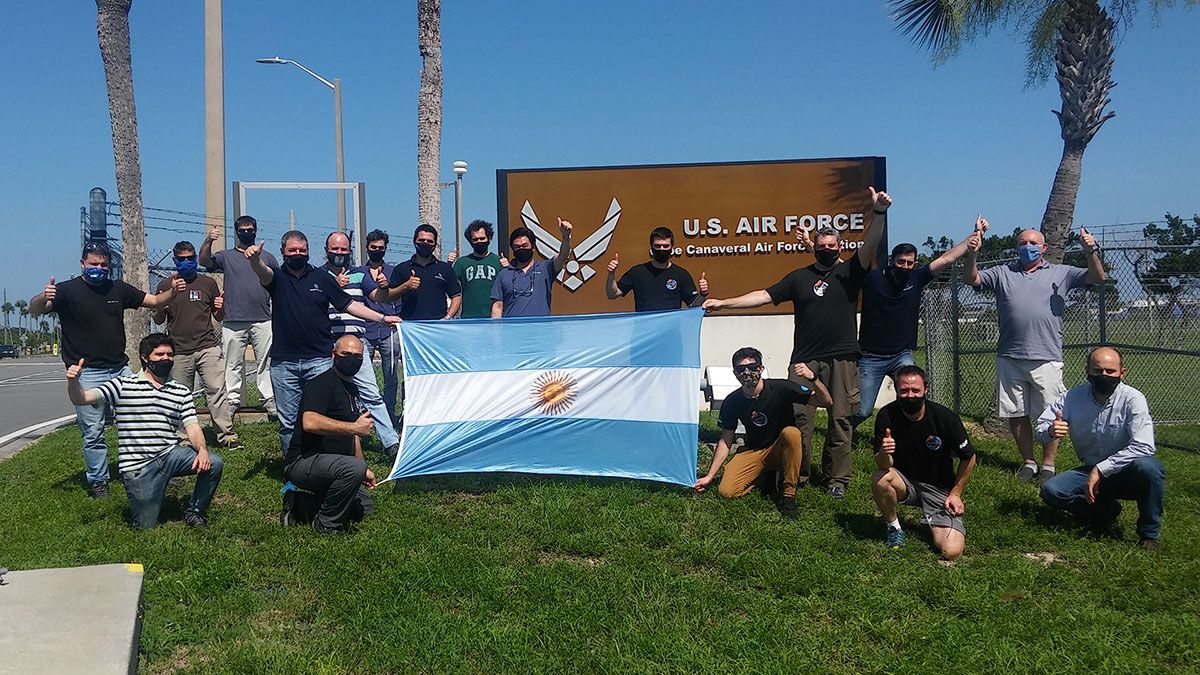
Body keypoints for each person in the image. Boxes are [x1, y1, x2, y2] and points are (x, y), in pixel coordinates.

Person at [703, 187, 891, 498]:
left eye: (832, 245)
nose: (827, 250)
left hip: (842, 358)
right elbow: (763, 296)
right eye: (822, 245)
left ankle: (837, 481)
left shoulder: (849, 272)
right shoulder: (798, 278)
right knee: (798, 421)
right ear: (814, 248)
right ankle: (797, 475)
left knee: (840, 419)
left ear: (839, 247)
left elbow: (870, 245)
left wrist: (879, 213)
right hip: (804, 360)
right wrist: (725, 302)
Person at [30, 241, 186, 499]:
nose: (99, 269)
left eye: (104, 265)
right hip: (87, 372)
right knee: (93, 432)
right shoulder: (66, 291)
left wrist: (173, 290)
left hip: (120, 369)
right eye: (94, 264)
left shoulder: (118, 288)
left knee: (147, 416)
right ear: (83, 264)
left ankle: (153, 467)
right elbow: (36, 309)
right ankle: (99, 481)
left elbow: (156, 300)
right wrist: (42, 296)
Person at [964, 224, 1105, 483]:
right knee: (1016, 413)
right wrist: (972, 254)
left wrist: (1090, 251)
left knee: (1052, 413)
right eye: (1022, 243)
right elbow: (971, 279)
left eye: (1032, 243)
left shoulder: (1062, 273)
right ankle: (1028, 462)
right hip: (1009, 356)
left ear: (1044, 248)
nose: (1027, 247)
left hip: (1047, 356)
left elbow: (1097, 277)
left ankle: (1048, 465)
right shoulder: (1002, 272)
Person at [246, 230, 401, 453]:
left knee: (325, 416)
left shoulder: (321, 278)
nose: (297, 253)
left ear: (308, 252)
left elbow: (348, 304)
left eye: (301, 250)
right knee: (289, 423)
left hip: (318, 360)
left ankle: (326, 463)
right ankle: (294, 467)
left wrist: (382, 318)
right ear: (283, 252)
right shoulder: (277, 278)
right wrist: (254, 260)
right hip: (284, 363)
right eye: (292, 250)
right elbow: (263, 273)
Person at [65, 333, 224, 528]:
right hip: (138, 467)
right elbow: (82, 398)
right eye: (159, 354)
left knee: (215, 463)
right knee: (145, 526)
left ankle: (195, 512)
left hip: (170, 456)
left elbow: (192, 427)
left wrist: (202, 450)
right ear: (144, 357)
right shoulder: (123, 385)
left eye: (170, 354)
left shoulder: (180, 391)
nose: (166, 358)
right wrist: (73, 382)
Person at [1036, 347, 1164, 550]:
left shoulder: (1133, 399)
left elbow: (1144, 445)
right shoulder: (1072, 397)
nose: (1104, 375)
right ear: (1088, 371)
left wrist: (1102, 468)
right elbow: (1040, 429)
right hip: (1090, 470)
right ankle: (1103, 511)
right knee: (1052, 491)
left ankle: (1149, 534)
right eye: (1098, 371)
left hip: (1127, 470)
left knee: (1150, 469)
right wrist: (1051, 431)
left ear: (1122, 373)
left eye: (1110, 371)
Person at [854, 220, 980, 425]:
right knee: (863, 410)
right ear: (891, 260)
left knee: (913, 401)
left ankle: (910, 436)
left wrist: (973, 236)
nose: (905, 266)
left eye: (909, 263)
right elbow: (844, 269)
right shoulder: (872, 279)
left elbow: (947, 258)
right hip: (871, 356)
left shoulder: (917, 278)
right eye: (901, 262)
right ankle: (841, 437)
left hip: (902, 355)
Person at [694, 347, 831, 519]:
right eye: (740, 369)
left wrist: (814, 378)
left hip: (780, 448)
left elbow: (826, 402)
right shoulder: (732, 401)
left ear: (761, 369)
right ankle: (766, 476)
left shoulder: (781, 387)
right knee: (727, 491)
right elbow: (726, 440)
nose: (746, 373)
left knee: (792, 433)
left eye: (752, 367)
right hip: (753, 450)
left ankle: (788, 496)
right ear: (734, 373)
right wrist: (709, 476)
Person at [871, 366, 977, 559]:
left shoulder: (945, 418)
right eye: (904, 391)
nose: (910, 395)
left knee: (950, 551)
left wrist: (956, 492)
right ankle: (894, 528)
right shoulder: (886, 415)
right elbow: (882, 465)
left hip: (938, 487)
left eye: (915, 391)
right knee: (880, 478)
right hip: (905, 481)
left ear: (925, 390)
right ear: (896, 390)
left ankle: (930, 520)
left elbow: (969, 456)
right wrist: (885, 452)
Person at [280, 335, 378, 534]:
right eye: (346, 354)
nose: (351, 359)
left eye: (357, 356)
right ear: (334, 355)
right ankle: (326, 524)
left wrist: (363, 469)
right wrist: (354, 429)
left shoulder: (352, 389)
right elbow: (309, 422)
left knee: (364, 506)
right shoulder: (321, 384)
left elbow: (354, 435)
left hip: (333, 464)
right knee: (352, 471)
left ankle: (301, 504)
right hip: (304, 461)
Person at [152, 241, 238, 449]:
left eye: (190, 258)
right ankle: (183, 439)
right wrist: (164, 302)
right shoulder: (165, 284)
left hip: (207, 346)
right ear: (175, 261)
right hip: (179, 351)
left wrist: (221, 307)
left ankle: (226, 435)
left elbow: (219, 315)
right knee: (181, 396)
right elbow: (157, 320)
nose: (186, 262)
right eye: (181, 259)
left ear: (195, 259)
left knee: (217, 391)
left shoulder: (207, 283)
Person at [321, 231, 400, 457]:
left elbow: (378, 297)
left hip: (357, 343)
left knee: (370, 393)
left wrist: (384, 287)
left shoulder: (360, 274)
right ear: (326, 250)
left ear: (350, 251)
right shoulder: (317, 275)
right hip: (328, 343)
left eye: (344, 249)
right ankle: (326, 442)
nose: (339, 253)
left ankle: (390, 442)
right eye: (335, 249)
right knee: (326, 394)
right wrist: (332, 285)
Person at [200, 215, 277, 419]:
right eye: (242, 229)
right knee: (232, 363)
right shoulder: (226, 256)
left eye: (250, 229)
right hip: (234, 319)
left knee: (265, 362)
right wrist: (209, 240)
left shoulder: (267, 257)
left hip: (263, 318)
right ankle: (232, 400)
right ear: (236, 232)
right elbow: (205, 261)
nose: (246, 232)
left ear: (256, 231)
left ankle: (269, 400)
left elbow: (276, 282)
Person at [355, 229, 403, 425]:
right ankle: (365, 415)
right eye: (373, 248)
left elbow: (401, 294)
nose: (377, 251)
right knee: (361, 375)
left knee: (391, 375)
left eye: (381, 248)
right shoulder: (357, 273)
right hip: (366, 329)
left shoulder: (394, 272)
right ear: (367, 248)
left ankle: (390, 413)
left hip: (389, 330)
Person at [605, 227, 709, 311]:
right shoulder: (637, 272)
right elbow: (612, 294)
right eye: (657, 246)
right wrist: (611, 275)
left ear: (672, 247)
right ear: (651, 247)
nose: (661, 250)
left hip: (671, 332)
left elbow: (694, 305)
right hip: (643, 332)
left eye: (665, 246)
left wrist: (703, 293)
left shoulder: (681, 274)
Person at [373, 225, 462, 321]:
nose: (425, 243)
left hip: (438, 326)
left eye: (429, 241)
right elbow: (388, 297)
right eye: (421, 240)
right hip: (411, 327)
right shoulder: (402, 268)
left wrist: (448, 317)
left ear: (435, 244)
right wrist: (405, 286)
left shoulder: (445, 268)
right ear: (414, 241)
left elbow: (456, 295)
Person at [491, 221, 572, 318]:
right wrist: (495, 330)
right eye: (517, 247)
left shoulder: (545, 268)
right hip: (511, 330)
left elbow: (562, 256)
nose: (521, 249)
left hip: (541, 329)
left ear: (533, 247)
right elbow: (497, 306)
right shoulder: (503, 275)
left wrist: (566, 237)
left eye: (525, 246)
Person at [448, 219, 507, 319]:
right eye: (475, 239)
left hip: (494, 318)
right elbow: (447, 282)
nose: (479, 242)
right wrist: (449, 264)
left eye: (482, 238)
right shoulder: (462, 262)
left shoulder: (498, 261)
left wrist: (508, 268)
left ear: (489, 238)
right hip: (469, 318)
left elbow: (509, 286)